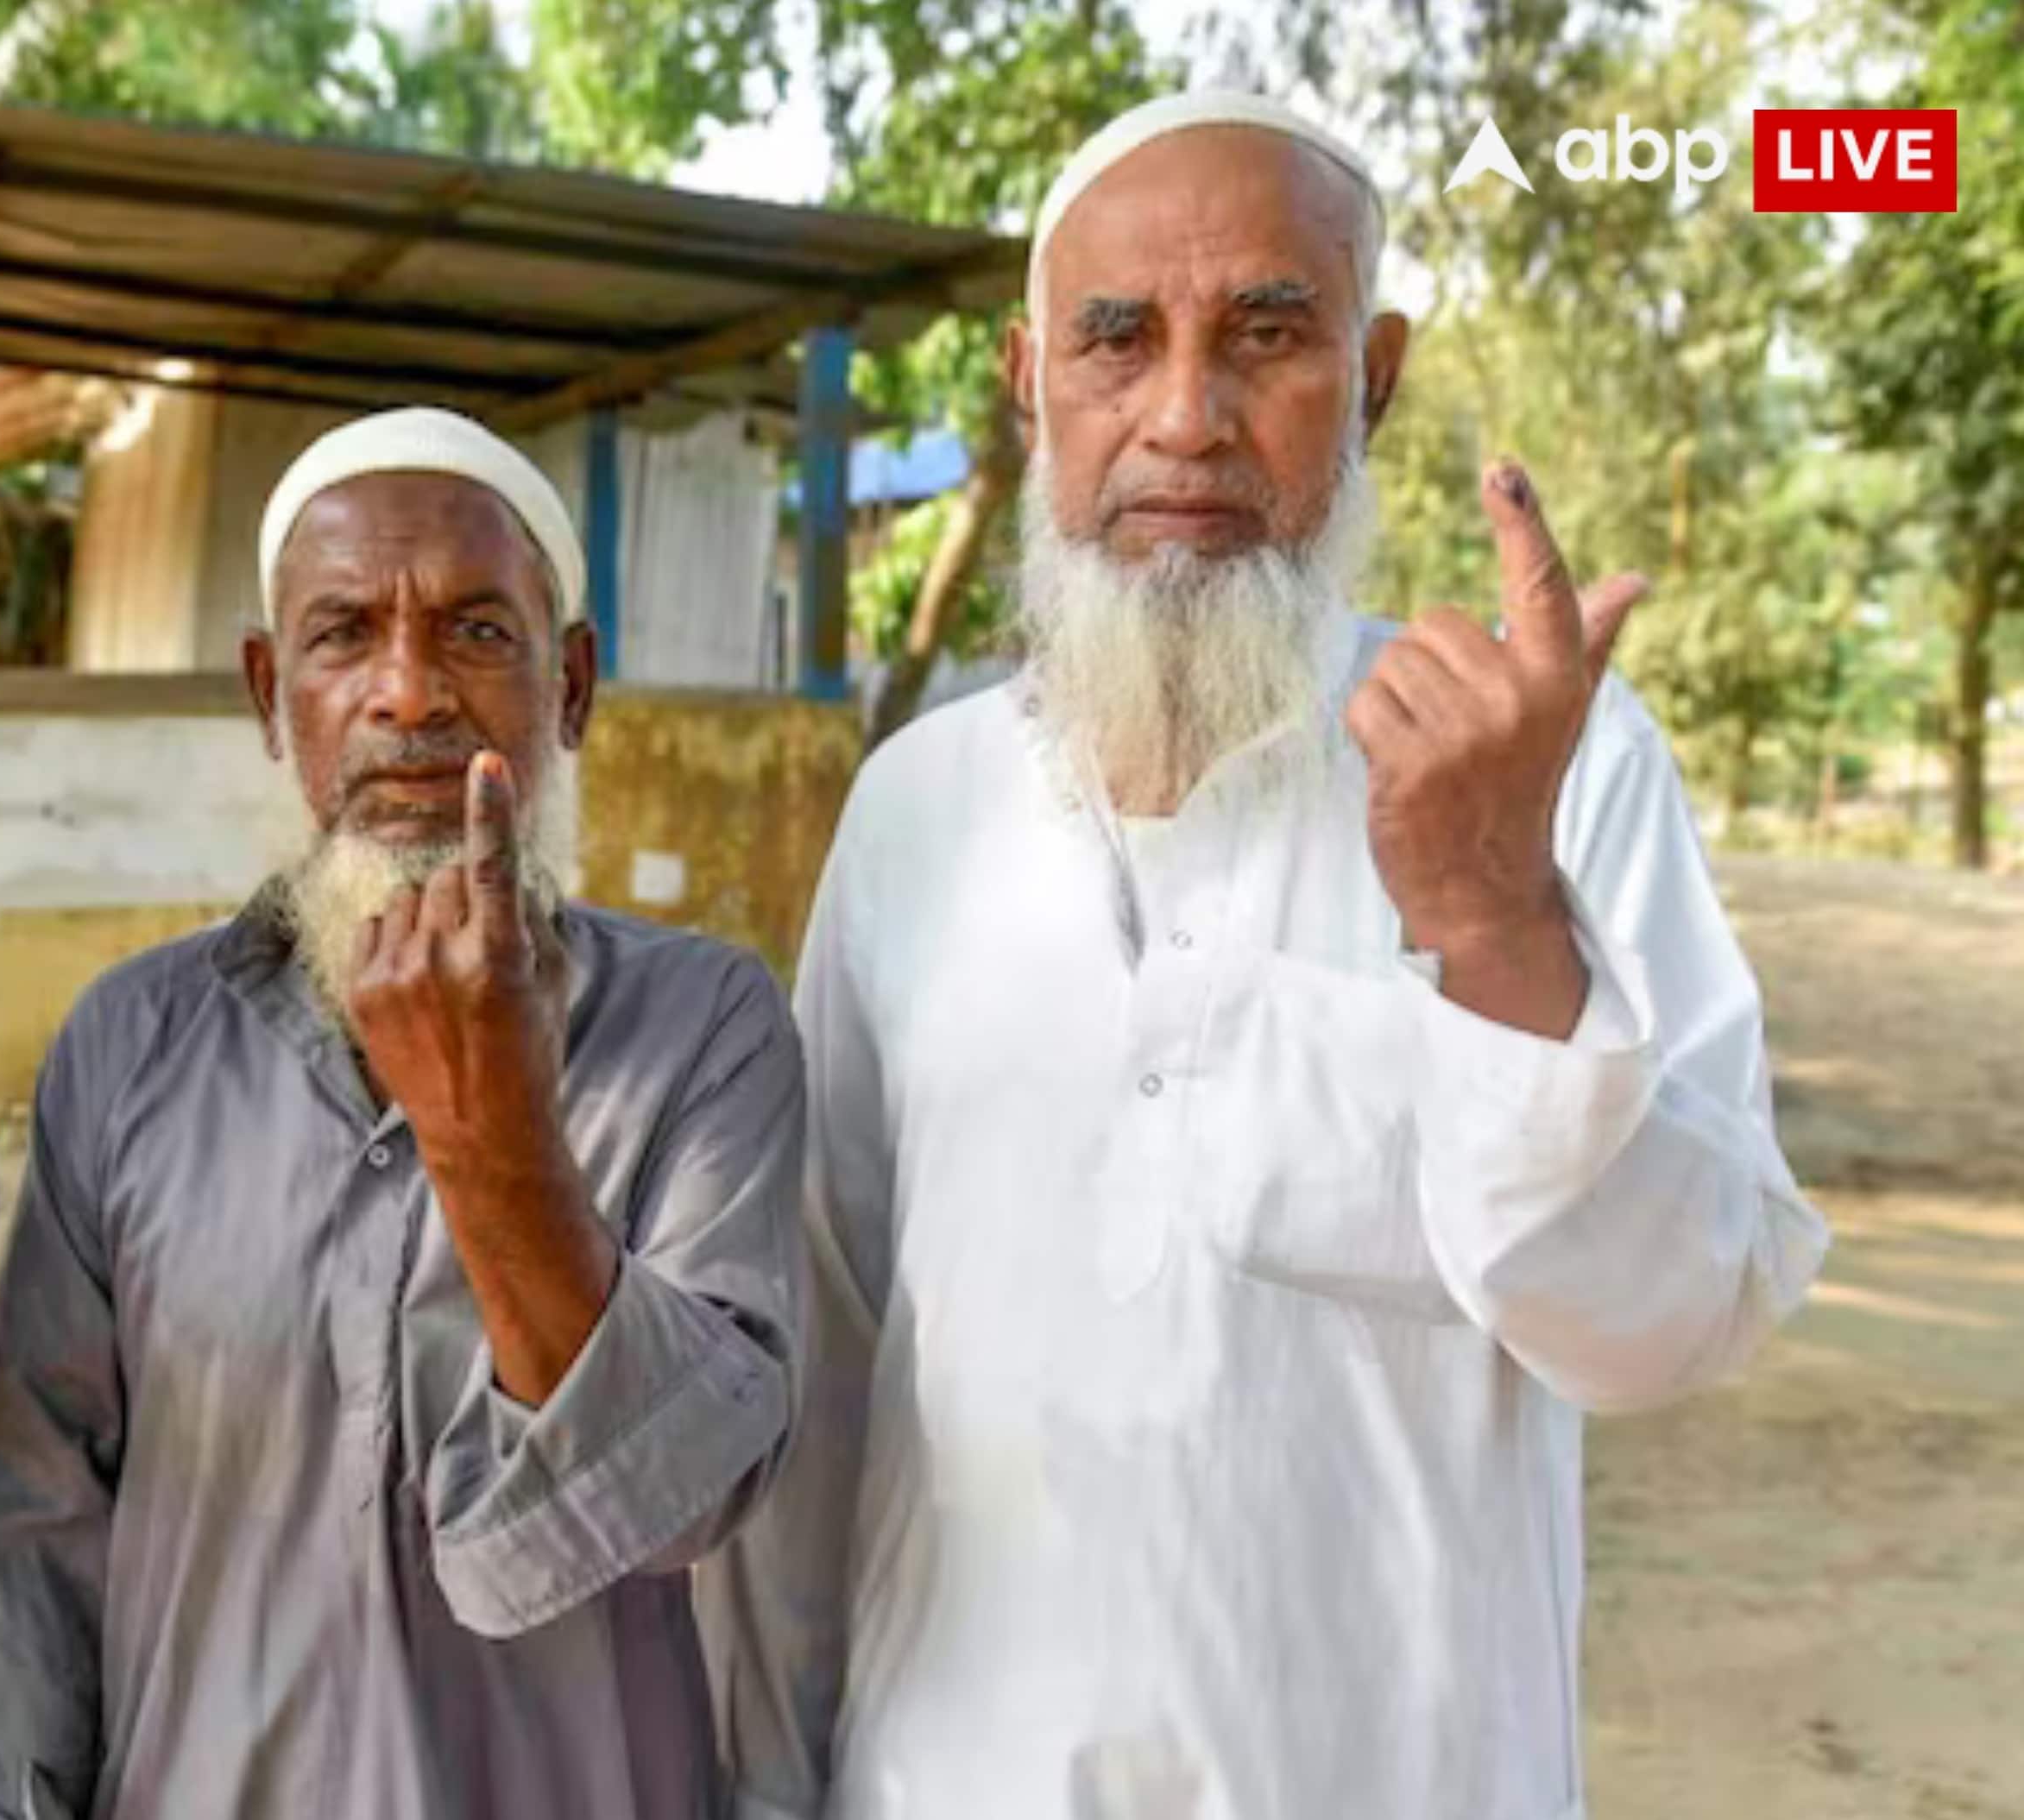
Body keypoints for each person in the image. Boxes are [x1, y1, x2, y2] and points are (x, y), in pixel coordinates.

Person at [698, 93, 1828, 1819]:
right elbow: (825, 1379)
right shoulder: (914, 807)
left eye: (1263, 336)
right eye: (1114, 339)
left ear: (1370, 378)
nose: (1183, 416)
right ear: (1027, 383)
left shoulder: (1548, 771)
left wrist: (1492, 923)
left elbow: (1668, 1321)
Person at [0, 407, 805, 1820]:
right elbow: (36, 1527)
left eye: (475, 630)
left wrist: (489, 1135)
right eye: (343, 633)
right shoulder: (128, 1044)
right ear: (268, 692)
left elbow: (693, 1491)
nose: (407, 694)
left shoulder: (703, 1027)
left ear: (570, 685)